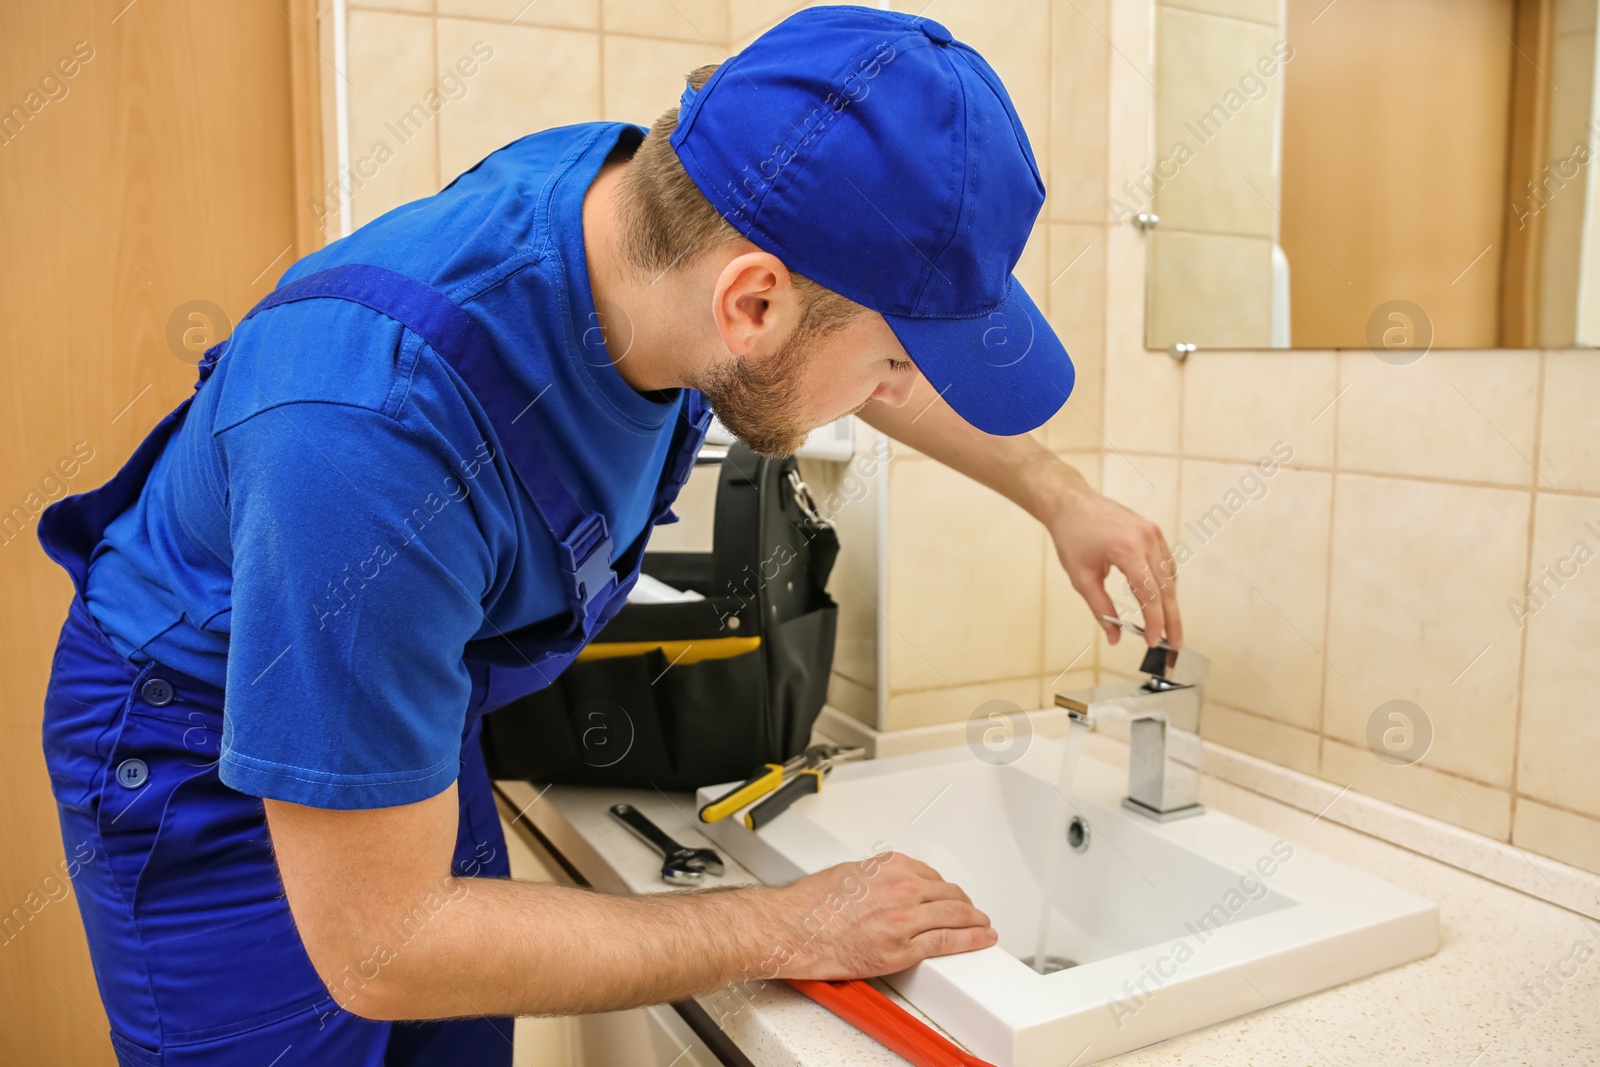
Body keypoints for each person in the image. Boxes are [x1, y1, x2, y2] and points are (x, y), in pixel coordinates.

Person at [38, 7, 1180, 1065]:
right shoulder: (368, 441)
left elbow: (843, 344)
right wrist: (784, 921)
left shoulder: (656, 214)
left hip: (395, 695)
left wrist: (1055, 493)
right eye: (897, 355)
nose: (897, 385)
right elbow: (384, 944)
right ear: (754, 303)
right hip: (193, 748)